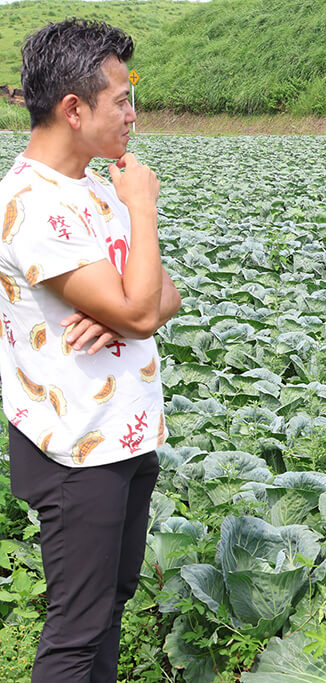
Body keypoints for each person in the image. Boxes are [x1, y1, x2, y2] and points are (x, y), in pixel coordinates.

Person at [0, 19, 180, 682]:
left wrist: (127, 314)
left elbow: (166, 298)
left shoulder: (94, 188)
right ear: (74, 110)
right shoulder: (33, 202)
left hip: (124, 436)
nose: (135, 114)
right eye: (122, 99)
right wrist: (144, 209)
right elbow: (140, 306)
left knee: (109, 608)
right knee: (75, 634)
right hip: (76, 449)